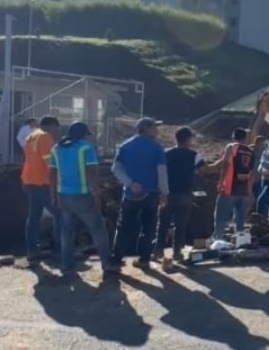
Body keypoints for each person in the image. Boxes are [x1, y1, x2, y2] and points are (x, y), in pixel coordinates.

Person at [49, 122, 119, 278]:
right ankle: (107, 263)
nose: (88, 137)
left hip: (63, 196)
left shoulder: (56, 148)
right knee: (98, 229)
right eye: (87, 134)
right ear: (83, 134)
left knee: (67, 232)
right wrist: (97, 195)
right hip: (82, 195)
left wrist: (53, 195)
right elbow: (93, 173)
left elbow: (52, 173)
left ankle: (66, 266)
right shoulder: (86, 147)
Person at [112, 117, 167, 268]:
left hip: (130, 194)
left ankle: (116, 260)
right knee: (148, 228)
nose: (157, 130)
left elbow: (116, 169)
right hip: (151, 193)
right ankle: (144, 260)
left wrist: (130, 183)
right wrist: (165, 193)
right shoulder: (157, 148)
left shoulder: (125, 146)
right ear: (146, 128)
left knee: (124, 227)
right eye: (154, 127)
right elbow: (161, 173)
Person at [156, 126, 206, 262]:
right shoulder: (194, 155)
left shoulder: (166, 153)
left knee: (163, 224)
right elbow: (202, 170)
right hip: (185, 194)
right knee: (181, 225)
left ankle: (158, 251)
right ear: (188, 139)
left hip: (167, 193)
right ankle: (177, 252)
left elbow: (159, 172)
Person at [21, 116, 62, 265]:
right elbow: (50, 165)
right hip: (43, 183)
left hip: (29, 181)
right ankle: (60, 251)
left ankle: (32, 250)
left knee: (34, 216)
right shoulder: (45, 138)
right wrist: (56, 186)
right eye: (57, 129)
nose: (57, 132)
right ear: (51, 126)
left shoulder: (31, 136)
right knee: (60, 214)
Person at [212, 128, 255, 241]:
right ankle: (240, 241)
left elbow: (226, 163)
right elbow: (251, 173)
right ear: (245, 138)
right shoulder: (251, 152)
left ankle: (218, 241)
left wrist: (221, 181)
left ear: (233, 136)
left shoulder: (231, 147)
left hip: (230, 187)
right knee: (240, 218)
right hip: (243, 189)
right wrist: (250, 192)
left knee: (221, 215)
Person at [250, 135, 267, 203]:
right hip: (250, 178)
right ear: (256, 143)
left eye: (262, 144)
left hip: (261, 178)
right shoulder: (250, 150)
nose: (261, 145)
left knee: (260, 197)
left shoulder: (266, 152)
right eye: (259, 143)